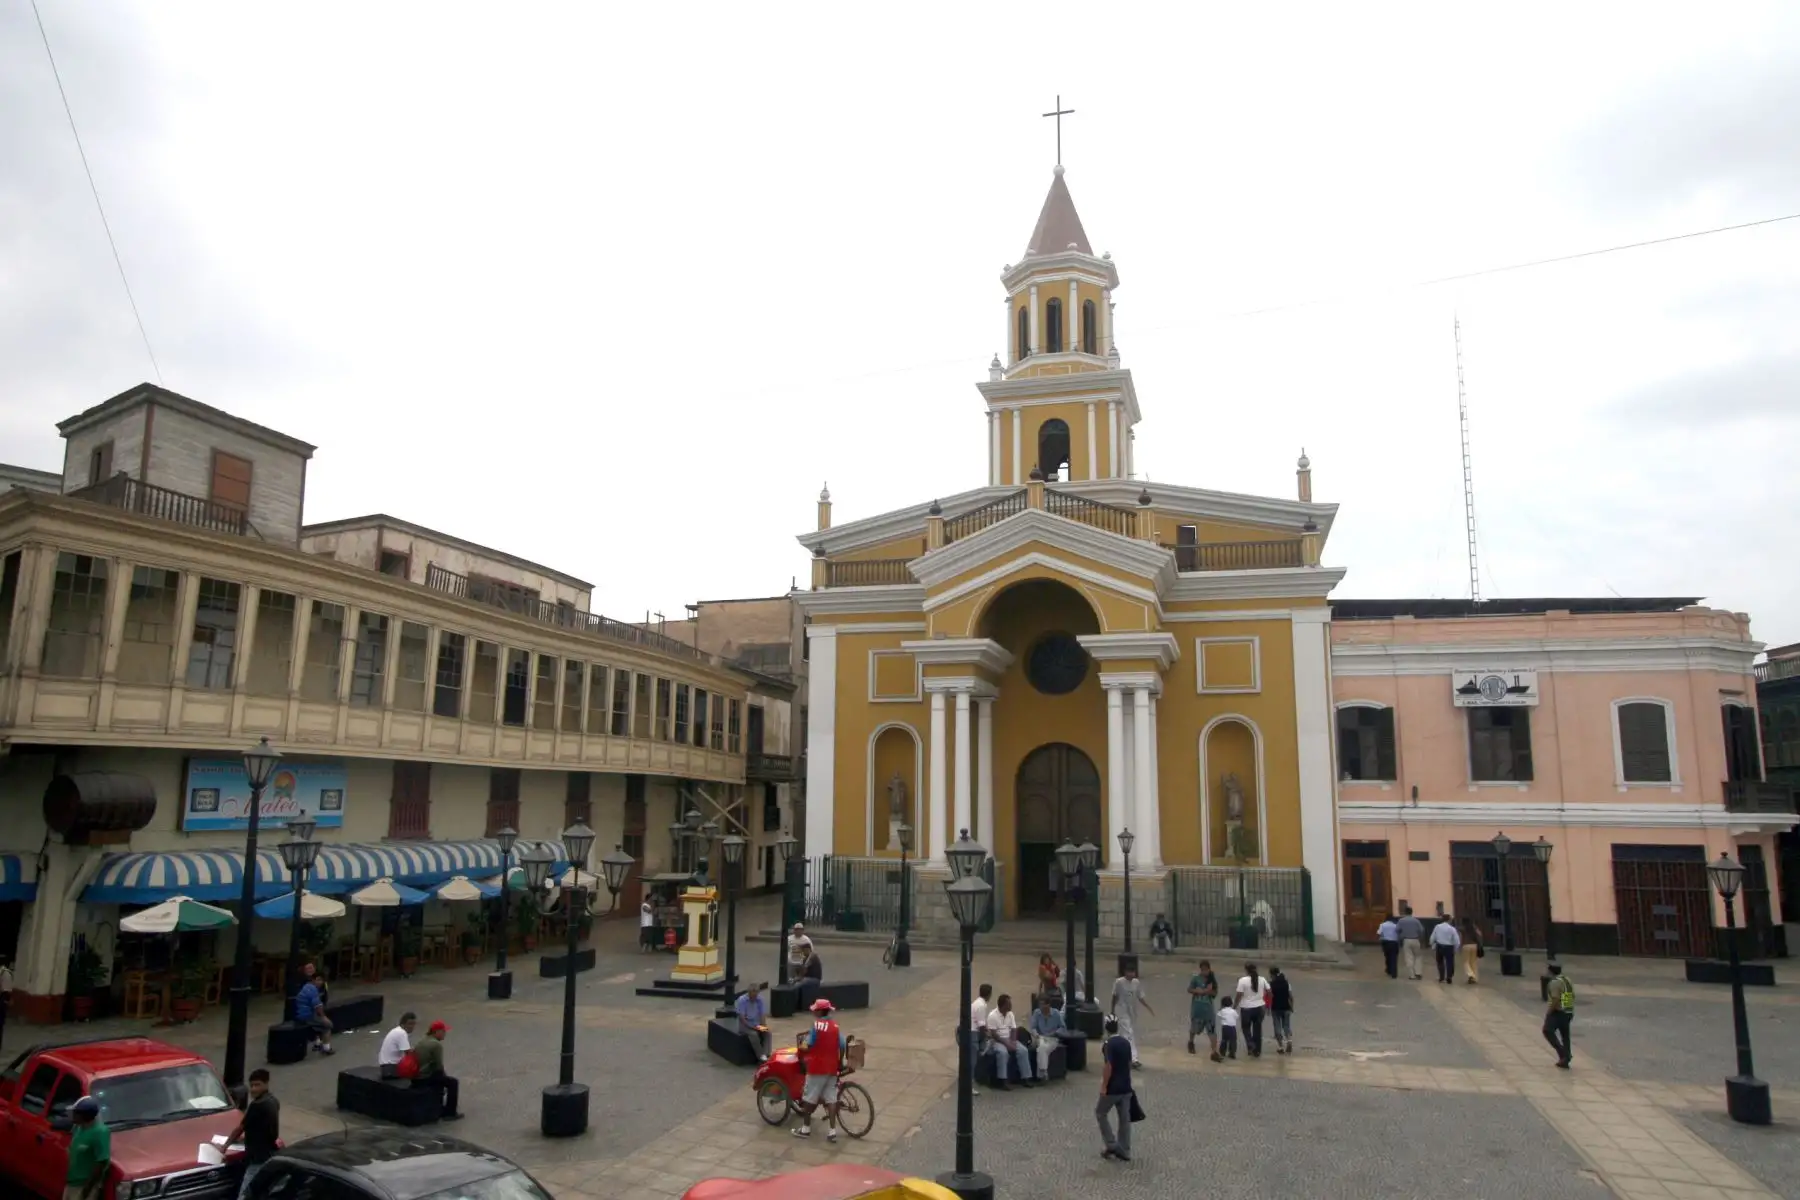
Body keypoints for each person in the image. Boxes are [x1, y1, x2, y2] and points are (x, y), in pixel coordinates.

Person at [793, 999, 843, 1141]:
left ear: (820, 1011)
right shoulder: (835, 1026)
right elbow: (842, 1044)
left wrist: (801, 1047)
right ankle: (832, 1132)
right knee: (831, 1099)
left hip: (817, 1068)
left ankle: (805, 1129)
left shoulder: (816, 1026)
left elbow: (809, 1045)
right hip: (831, 1068)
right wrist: (840, 1061)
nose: (813, 1011)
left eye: (815, 1009)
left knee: (809, 1098)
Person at [227, 1069, 279, 1198]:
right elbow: (263, 1126)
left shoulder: (257, 1105)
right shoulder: (273, 1101)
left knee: (244, 1194)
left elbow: (240, 1128)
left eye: (257, 1085)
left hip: (257, 1158)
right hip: (270, 1154)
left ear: (266, 1084)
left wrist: (224, 1146)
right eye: (251, 1085)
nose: (253, 1089)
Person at [1094, 1016, 1133, 1163]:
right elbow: (1129, 1063)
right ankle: (1125, 1149)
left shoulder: (1108, 1044)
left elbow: (1108, 1066)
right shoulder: (1126, 1043)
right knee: (1124, 1119)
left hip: (1113, 1088)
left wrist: (1104, 1086)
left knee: (1100, 1112)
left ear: (1106, 1028)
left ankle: (1111, 1144)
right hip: (1126, 1087)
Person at [411, 1020, 461, 1119]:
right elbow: (438, 1066)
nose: (445, 1034)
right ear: (436, 1032)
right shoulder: (436, 1045)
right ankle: (450, 1113)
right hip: (425, 1077)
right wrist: (444, 1076)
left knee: (441, 1079)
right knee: (453, 1082)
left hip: (416, 1076)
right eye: (443, 1031)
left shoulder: (423, 1040)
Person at [984, 994, 1034, 1090]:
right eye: (1009, 1004)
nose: (1011, 1005)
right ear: (1003, 1005)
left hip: (1009, 1038)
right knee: (1003, 1053)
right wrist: (1006, 1043)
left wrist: (1013, 1042)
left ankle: (1026, 1077)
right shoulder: (992, 1016)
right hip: (997, 1040)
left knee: (1023, 1050)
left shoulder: (1010, 1014)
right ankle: (1003, 1080)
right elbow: (994, 1034)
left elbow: (1014, 1029)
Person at [1109, 966, 1153, 1068]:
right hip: (1121, 1010)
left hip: (1132, 1012)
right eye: (1129, 971)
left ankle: (1120, 1056)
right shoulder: (1119, 982)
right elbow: (1114, 996)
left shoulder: (1136, 983)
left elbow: (1140, 996)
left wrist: (1148, 1007)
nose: (1131, 974)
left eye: (1133, 971)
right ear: (1125, 972)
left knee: (1124, 1034)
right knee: (1129, 1033)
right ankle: (1134, 1058)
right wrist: (1112, 1010)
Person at [66, 1096, 110, 1200]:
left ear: (84, 1116)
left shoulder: (100, 1132)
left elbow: (102, 1162)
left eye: (76, 1113)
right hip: (72, 1183)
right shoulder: (78, 1128)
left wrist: (87, 1189)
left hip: (83, 1186)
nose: (73, 1116)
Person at [293, 967, 334, 1055]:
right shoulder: (313, 990)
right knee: (327, 1025)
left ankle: (317, 1043)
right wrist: (324, 1018)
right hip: (307, 1015)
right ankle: (326, 1048)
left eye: (321, 980)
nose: (320, 983)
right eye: (318, 980)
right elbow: (318, 1007)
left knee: (318, 1025)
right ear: (313, 980)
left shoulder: (306, 986)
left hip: (301, 1013)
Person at [1187, 958, 1220, 1060]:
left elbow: (1214, 993)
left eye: (1206, 969)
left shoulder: (1212, 981)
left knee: (1212, 1030)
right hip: (1197, 1008)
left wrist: (1206, 991)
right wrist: (1197, 991)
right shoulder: (1196, 979)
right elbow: (1189, 989)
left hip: (1208, 1010)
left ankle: (1214, 1051)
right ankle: (1191, 1042)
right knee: (1194, 1028)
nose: (1204, 971)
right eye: (1203, 969)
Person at [1233, 962, 1268, 1057]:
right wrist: (1266, 1003)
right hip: (1260, 1007)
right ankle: (1257, 1050)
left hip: (1246, 1008)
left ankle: (1250, 1044)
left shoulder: (1242, 980)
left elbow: (1239, 995)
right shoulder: (1262, 979)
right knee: (1257, 1029)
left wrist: (1234, 1006)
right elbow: (1269, 991)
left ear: (1246, 970)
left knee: (1246, 1028)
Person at [1543, 964, 1575, 1069]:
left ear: (1550, 971)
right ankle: (1566, 1057)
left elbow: (1555, 998)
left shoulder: (1555, 982)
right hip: (1568, 1010)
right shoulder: (1566, 979)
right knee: (1565, 1035)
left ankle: (1563, 1054)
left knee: (1547, 1030)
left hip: (1559, 1011)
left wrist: (1549, 1011)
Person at [1027, 995, 1064, 1079]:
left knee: (1042, 1049)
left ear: (1048, 1005)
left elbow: (1062, 1027)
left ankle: (1042, 1073)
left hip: (1052, 1038)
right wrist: (1036, 1034)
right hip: (1040, 1037)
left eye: (1043, 1004)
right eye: (1040, 1004)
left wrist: (1054, 1033)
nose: (1041, 1007)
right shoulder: (1037, 1013)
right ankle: (1043, 1073)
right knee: (1042, 1046)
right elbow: (1032, 1027)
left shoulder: (1056, 1013)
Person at [735, 981, 772, 1063]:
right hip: (745, 1025)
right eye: (753, 995)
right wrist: (753, 1027)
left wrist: (763, 1026)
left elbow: (762, 1015)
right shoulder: (742, 1000)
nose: (754, 997)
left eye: (756, 994)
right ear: (749, 993)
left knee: (767, 1032)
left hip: (756, 1024)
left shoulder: (760, 999)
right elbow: (742, 1018)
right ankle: (760, 1056)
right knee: (753, 1034)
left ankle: (766, 1054)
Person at [378, 1012, 417, 1078]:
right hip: (390, 1069)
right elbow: (408, 1053)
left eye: (413, 1024)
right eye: (409, 1024)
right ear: (402, 1024)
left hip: (385, 1067)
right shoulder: (402, 1033)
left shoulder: (396, 1030)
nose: (412, 1027)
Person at [1268, 966, 1295, 1054]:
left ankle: (1280, 1047)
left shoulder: (1271, 984)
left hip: (1275, 1008)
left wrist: (1268, 1007)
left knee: (1277, 1027)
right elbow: (1291, 997)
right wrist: (1292, 1006)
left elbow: (1269, 997)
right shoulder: (1287, 983)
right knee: (1286, 1026)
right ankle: (1289, 1040)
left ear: (1272, 974)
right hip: (1286, 1007)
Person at [1429, 915, 1462, 985]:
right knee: (1449, 962)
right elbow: (1457, 940)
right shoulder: (1452, 929)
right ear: (1449, 920)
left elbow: (1433, 937)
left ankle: (1441, 977)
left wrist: (1432, 944)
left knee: (1440, 962)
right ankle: (1449, 976)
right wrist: (1455, 949)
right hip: (1449, 947)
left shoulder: (1437, 927)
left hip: (1439, 946)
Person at [1395, 909, 1425, 980]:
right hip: (1416, 939)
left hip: (1406, 940)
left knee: (1409, 957)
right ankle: (1418, 973)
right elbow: (1421, 930)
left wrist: (1401, 935)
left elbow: (1397, 930)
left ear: (1405, 912)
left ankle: (1411, 975)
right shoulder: (1416, 921)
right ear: (1412, 912)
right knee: (1418, 956)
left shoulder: (1401, 921)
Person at [1459, 917, 1482, 985]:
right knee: (1473, 962)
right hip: (1474, 945)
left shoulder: (1462, 929)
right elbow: (1480, 935)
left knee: (1466, 962)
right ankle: (1474, 978)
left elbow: (1460, 938)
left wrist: (1459, 947)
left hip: (1466, 945)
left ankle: (1471, 974)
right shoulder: (1474, 928)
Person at [1376, 914, 1400, 979]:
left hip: (1385, 942)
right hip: (1394, 942)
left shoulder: (1383, 925)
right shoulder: (1395, 925)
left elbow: (1379, 933)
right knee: (1394, 958)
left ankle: (1388, 969)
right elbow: (1399, 933)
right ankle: (1394, 973)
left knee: (1387, 956)